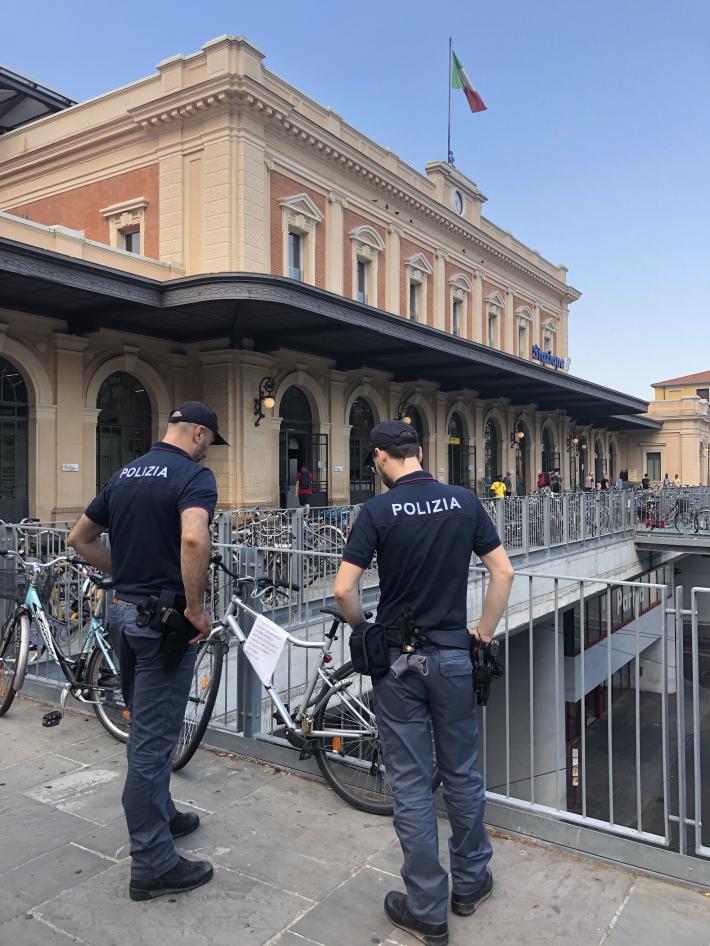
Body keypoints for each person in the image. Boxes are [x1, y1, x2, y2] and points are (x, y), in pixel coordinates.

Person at [334, 420, 514, 946]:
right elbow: (503, 573)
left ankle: (427, 908)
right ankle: (471, 882)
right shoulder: (463, 501)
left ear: (379, 458)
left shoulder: (378, 511)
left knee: (411, 784)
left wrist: (363, 628)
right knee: (461, 773)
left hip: (398, 662)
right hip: (454, 656)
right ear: (418, 451)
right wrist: (482, 633)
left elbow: (344, 590)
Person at [67, 401, 227, 902]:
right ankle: (153, 863)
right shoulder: (193, 477)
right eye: (210, 441)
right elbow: (194, 539)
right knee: (153, 744)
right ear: (197, 433)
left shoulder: (126, 473)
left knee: (146, 725)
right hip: (163, 624)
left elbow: (79, 537)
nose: (208, 452)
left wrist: (128, 572)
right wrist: (196, 609)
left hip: (123, 613)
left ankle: (163, 814)